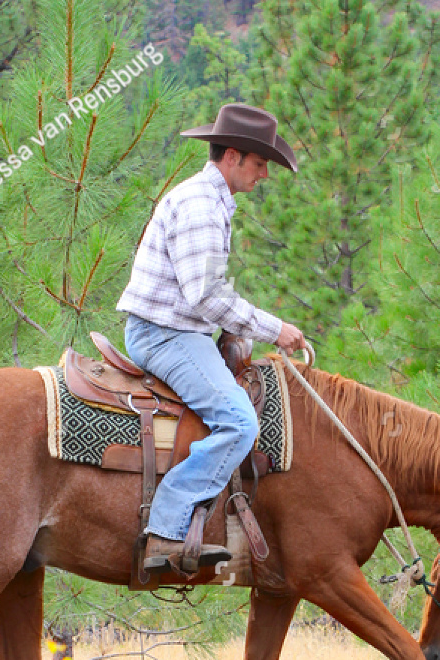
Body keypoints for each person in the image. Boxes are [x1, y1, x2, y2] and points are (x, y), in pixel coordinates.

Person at [116, 102, 307, 573]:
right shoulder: (201, 205)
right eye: (261, 163)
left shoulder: (211, 199)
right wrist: (274, 330)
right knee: (241, 423)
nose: (265, 174)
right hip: (166, 335)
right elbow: (206, 296)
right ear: (234, 157)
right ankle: (166, 530)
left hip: (180, 330)